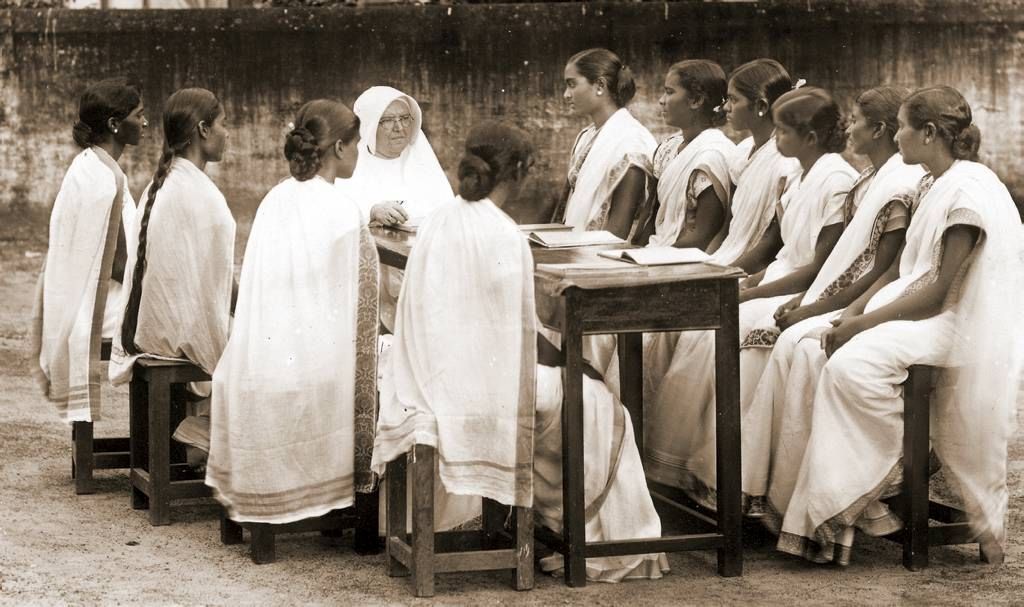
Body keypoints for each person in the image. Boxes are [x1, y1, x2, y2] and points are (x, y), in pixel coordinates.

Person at [778, 86, 1023, 566]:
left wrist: (862, 326)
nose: (899, 137)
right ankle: (866, 496)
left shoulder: (968, 189)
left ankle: (887, 476)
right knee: (819, 347)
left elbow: (937, 289)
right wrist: (852, 314)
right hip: (921, 308)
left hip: (958, 322)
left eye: (906, 128)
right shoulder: (931, 182)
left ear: (929, 133)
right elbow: (897, 272)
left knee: (853, 365)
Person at [647, 86, 858, 511]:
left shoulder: (836, 179)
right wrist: (744, 281)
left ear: (810, 138)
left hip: (807, 290)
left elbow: (819, 266)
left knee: (716, 332)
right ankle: (672, 466)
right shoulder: (799, 174)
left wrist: (750, 293)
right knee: (694, 322)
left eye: (782, 131)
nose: (776, 140)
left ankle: (723, 478)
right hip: (780, 278)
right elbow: (781, 251)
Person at [740, 86, 924, 521]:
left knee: (800, 346)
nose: (849, 128)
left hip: (878, 302)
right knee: (787, 341)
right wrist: (807, 300)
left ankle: (824, 500)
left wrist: (824, 310)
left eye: (858, 121)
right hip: (845, 296)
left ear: (878, 130)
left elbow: (880, 270)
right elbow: (839, 263)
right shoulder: (869, 178)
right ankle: (775, 492)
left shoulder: (896, 183)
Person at [206, 99, 380, 524]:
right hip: (312, 359)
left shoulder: (275, 198)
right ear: (340, 148)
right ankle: (355, 514)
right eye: (358, 145)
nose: (360, 154)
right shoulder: (341, 209)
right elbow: (360, 301)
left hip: (261, 353)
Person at [371, 122, 537, 523]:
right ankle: (564, 529)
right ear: (516, 172)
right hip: (465, 383)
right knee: (599, 404)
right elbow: (514, 336)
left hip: (422, 374)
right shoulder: (504, 234)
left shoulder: (438, 218)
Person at [642, 59, 800, 401]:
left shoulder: (785, 161)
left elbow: (772, 239)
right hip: (728, 257)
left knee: (696, 328)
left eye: (733, 100)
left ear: (760, 107)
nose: (724, 107)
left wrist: (729, 274)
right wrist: (709, 265)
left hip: (754, 268)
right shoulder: (743, 152)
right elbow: (728, 227)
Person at [108, 88, 235, 458]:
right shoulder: (199, 196)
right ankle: (214, 438)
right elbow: (218, 287)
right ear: (203, 130)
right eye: (224, 124)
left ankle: (205, 437)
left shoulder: (166, 182)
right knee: (275, 344)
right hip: (171, 332)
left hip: (153, 324)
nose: (229, 133)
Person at [33, 78, 146, 422]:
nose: (145, 122)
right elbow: (119, 264)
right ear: (115, 124)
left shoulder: (89, 164)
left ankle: (165, 444)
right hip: (98, 308)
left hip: (76, 301)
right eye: (139, 115)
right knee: (188, 328)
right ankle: (172, 447)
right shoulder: (103, 179)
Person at [338, 85, 454, 332]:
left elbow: (447, 211)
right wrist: (371, 211)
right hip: (370, 276)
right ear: (369, 126)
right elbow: (336, 216)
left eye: (404, 119)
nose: (399, 128)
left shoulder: (420, 158)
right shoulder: (350, 163)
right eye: (388, 120)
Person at [556, 48, 656, 239]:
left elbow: (618, 232)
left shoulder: (631, 143)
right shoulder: (586, 136)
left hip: (607, 255)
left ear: (600, 85)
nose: (566, 95)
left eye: (572, 85)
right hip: (574, 244)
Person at [634, 60, 735, 249]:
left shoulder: (713, 156)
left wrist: (653, 257)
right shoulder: (668, 148)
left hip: (682, 259)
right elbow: (651, 216)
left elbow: (703, 237)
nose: (661, 100)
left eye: (670, 92)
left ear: (696, 100)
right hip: (654, 251)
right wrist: (633, 252)